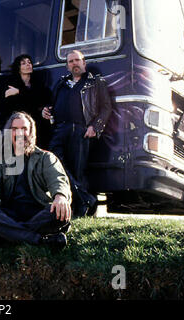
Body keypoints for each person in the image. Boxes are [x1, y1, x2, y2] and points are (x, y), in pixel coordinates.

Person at [0, 112, 71, 249]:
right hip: (10, 214)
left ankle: (4, 235)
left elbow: (58, 180)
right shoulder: (0, 161)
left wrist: (60, 196)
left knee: (58, 212)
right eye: (15, 129)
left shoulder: (46, 158)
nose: (20, 133)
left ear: (31, 132)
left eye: (24, 129)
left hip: (38, 212)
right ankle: (39, 240)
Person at [42, 50, 113, 217]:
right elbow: (52, 105)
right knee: (57, 166)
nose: (74, 63)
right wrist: (45, 111)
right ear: (67, 66)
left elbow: (106, 108)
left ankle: (79, 211)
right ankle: (87, 199)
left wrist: (95, 127)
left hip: (80, 130)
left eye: (77, 60)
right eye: (71, 61)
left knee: (77, 170)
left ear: (84, 63)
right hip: (59, 130)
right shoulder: (61, 83)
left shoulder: (95, 82)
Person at [5, 54, 53, 149]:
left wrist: (19, 92)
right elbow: (18, 106)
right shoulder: (12, 84)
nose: (28, 65)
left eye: (29, 62)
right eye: (23, 63)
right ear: (18, 68)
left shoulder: (38, 83)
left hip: (39, 124)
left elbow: (43, 97)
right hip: (21, 125)